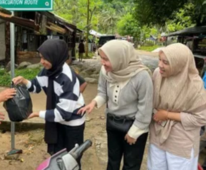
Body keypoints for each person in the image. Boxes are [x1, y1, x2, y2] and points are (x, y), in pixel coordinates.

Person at [78, 40, 153, 170]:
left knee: (131, 164)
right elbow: (102, 92)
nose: (102, 62)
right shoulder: (106, 71)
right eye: (101, 58)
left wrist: (134, 132)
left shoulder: (141, 76)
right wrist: (94, 102)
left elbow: (145, 108)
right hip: (113, 122)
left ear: (119, 58)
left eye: (106, 59)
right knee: (112, 161)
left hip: (134, 125)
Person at [12, 39, 85, 167]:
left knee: (71, 159)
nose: (41, 62)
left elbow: (63, 114)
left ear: (55, 57)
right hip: (57, 118)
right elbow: (36, 86)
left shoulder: (67, 78)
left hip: (72, 122)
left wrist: (37, 114)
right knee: (58, 156)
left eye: (45, 58)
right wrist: (24, 81)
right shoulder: (48, 70)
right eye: (41, 57)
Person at [147, 43, 206, 170]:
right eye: (160, 60)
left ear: (179, 64)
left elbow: (201, 118)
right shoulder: (158, 74)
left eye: (166, 62)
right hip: (158, 136)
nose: (160, 65)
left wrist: (167, 115)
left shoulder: (194, 86)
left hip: (181, 143)